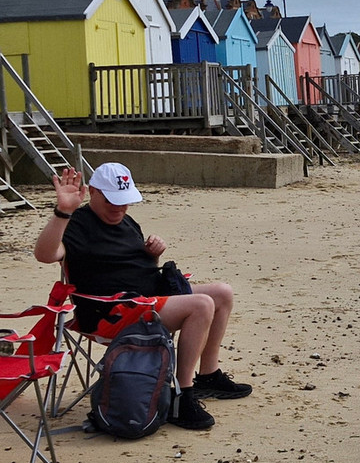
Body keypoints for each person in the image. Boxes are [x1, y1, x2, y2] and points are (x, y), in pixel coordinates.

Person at [34, 163, 251, 430]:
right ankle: (182, 396)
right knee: (201, 304)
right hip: (111, 312)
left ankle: (208, 375)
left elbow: (135, 268)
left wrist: (153, 255)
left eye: (124, 202)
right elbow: (45, 255)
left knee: (222, 293)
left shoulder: (126, 222)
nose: (120, 208)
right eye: (113, 201)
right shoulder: (76, 224)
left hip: (145, 299)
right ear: (92, 192)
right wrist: (63, 211)